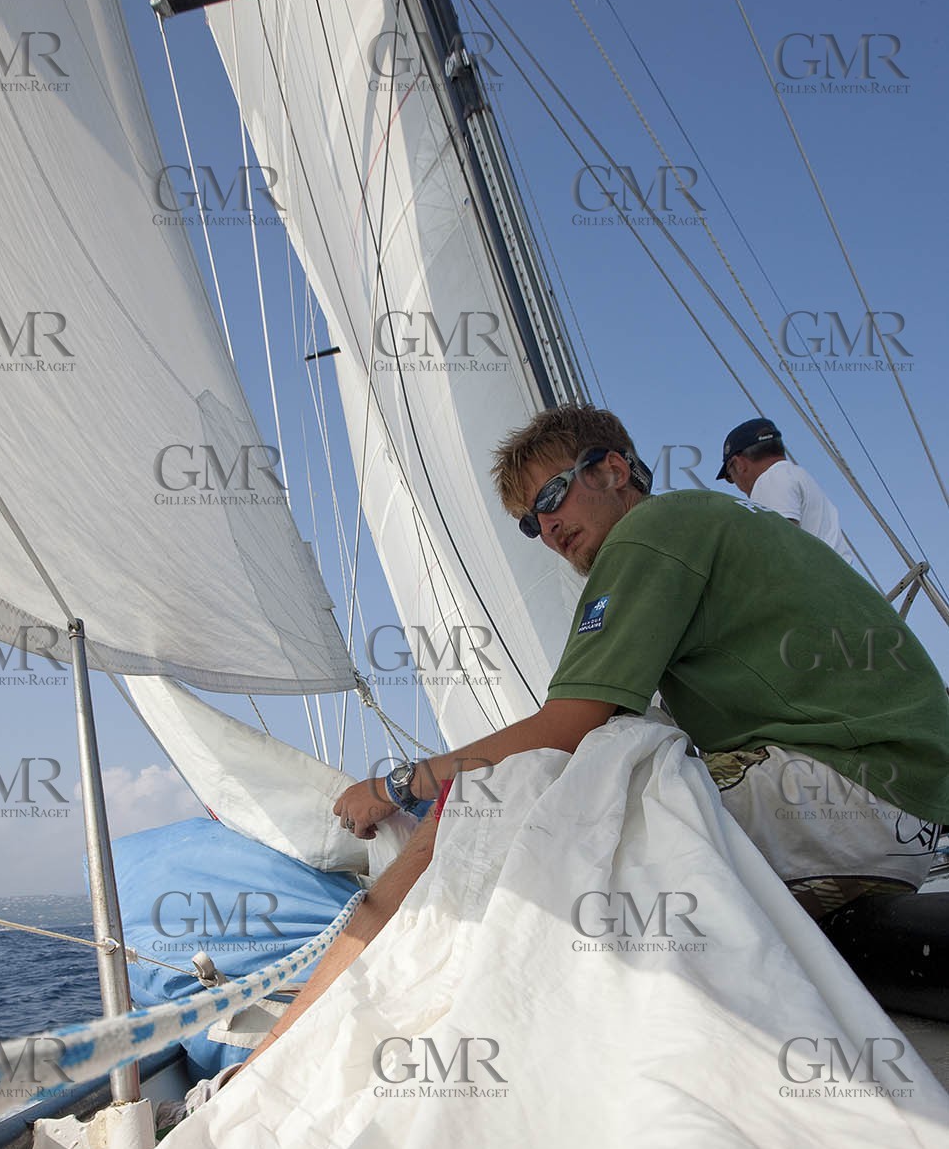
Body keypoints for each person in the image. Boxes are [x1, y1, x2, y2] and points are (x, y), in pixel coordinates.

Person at [233, 404, 949, 1073]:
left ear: (612, 471)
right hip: (898, 813)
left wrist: (396, 785)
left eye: (550, 497)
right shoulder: (712, 523)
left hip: (840, 790)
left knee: (492, 798)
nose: (545, 528)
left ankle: (292, 1050)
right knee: (560, 786)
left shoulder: (649, 533)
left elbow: (567, 727)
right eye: (527, 522)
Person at [717, 416, 854, 564]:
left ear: (738, 464)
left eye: (730, 477)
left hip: (814, 583)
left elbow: (780, 549)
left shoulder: (770, 479)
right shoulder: (798, 475)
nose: (737, 485)